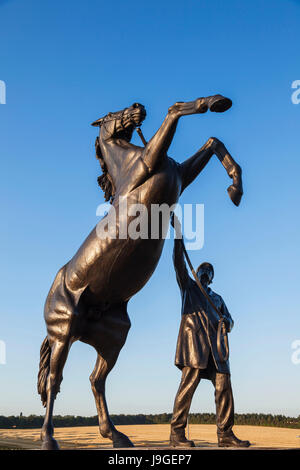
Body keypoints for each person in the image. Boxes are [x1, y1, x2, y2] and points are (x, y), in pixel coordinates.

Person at [169, 214, 250, 448]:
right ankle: (176, 434)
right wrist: (178, 235)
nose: (206, 272)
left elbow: (231, 321)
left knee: (224, 387)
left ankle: (225, 434)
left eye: (209, 271)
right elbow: (177, 261)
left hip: (217, 352)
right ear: (197, 272)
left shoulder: (218, 299)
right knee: (187, 388)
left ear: (212, 278)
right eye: (203, 269)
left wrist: (227, 322)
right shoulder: (188, 287)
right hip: (194, 349)